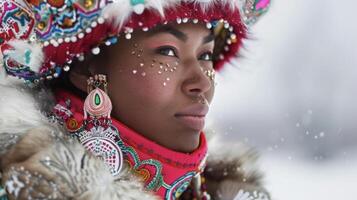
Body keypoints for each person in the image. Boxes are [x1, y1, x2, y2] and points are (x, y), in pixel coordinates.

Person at [0, 0, 271, 199]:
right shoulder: (27, 184)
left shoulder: (222, 188)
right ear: (86, 68)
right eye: (168, 51)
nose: (201, 82)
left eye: (205, 55)